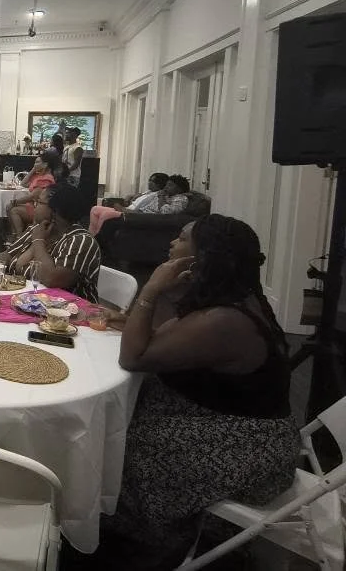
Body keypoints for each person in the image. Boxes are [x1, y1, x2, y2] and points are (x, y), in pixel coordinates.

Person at [99, 215, 297, 568]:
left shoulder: (224, 320)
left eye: (181, 238)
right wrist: (156, 303)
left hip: (242, 446)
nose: (172, 244)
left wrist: (151, 290)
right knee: (122, 412)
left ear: (204, 256)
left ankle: (147, 536)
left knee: (115, 439)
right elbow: (160, 333)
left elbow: (135, 355)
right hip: (221, 416)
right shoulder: (230, 296)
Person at [0, 183, 101, 302]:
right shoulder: (37, 229)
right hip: (28, 302)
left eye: (39, 202)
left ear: (53, 209)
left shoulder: (81, 241)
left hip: (70, 314)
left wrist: (38, 241)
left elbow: (51, 279)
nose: (34, 206)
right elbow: (8, 255)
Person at [88, 172, 170, 234]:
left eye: (152, 181)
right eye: (149, 180)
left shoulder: (157, 196)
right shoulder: (148, 192)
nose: (149, 182)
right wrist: (131, 196)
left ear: (159, 184)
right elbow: (136, 197)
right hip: (126, 209)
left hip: (130, 214)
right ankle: (92, 235)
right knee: (95, 209)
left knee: (105, 214)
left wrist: (123, 209)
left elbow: (141, 210)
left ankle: (98, 239)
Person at [5, 153, 59, 239]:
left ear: (45, 164)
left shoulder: (46, 179)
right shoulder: (40, 176)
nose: (34, 164)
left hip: (40, 210)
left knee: (13, 210)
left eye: (37, 162)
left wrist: (14, 202)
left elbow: (33, 196)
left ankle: (19, 236)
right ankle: (15, 234)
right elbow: (23, 183)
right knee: (11, 208)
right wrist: (33, 169)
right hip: (34, 205)